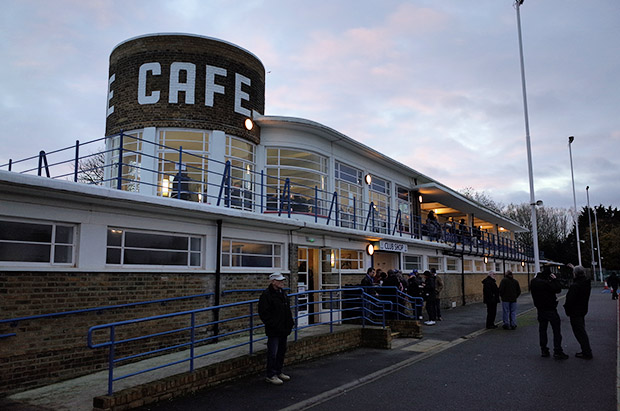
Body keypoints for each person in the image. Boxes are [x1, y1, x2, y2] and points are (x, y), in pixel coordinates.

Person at [258, 272, 295, 385]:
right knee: (273, 352)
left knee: (281, 351)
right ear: (273, 282)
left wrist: (289, 323)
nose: (282, 283)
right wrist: (273, 324)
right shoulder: (266, 295)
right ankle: (271, 374)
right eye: (279, 281)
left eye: (282, 281)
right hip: (274, 329)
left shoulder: (283, 293)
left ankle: (278, 371)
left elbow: (286, 310)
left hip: (283, 328)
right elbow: (264, 313)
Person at [530, 267, 569, 359]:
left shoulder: (534, 282)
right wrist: (555, 280)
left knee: (542, 330)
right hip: (550, 308)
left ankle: (544, 349)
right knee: (556, 331)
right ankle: (557, 350)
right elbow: (558, 289)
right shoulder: (546, 284)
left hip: (540, 309)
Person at [564, 265, 593, 359]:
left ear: (575, 274)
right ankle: (586, 350)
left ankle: (587, 352)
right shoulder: (585, 283)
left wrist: (567, 309)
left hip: (575, 311)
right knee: (581, 330)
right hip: (582, 309)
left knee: (579, 332)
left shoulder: (575, 286)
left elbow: (570, 300)